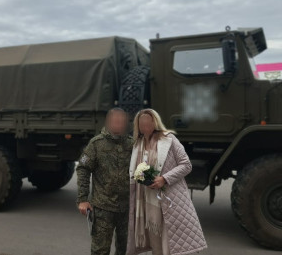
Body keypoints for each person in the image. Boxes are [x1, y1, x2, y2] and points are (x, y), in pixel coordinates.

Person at [127, 109, 207, 255]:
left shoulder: (168, 139)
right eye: (142, 122)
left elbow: (186, 164)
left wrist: (164, 179)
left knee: (172, 243)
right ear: (137, 125)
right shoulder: (137, 143)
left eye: (148, 122)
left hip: (169, 198)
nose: (145, 125)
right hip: (147, 200)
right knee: (156, 242)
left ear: (155, 122)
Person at [76, 108, 133, 255]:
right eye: (115, 120)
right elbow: (83, 168)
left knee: (126, 250)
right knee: (100, 250)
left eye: (121, 120)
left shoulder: (133, 144)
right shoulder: (96, 144)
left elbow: (142, 171)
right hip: (103, 208)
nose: (118, 123)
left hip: (127, 208)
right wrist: (82, 199)